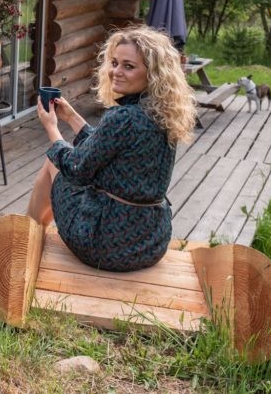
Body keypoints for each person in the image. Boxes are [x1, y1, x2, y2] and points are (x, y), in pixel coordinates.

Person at [26, 25, 196, 272]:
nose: (116, 71)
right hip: (150, 243)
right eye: (114, 63)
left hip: (107, 246)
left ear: (153, 73)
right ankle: (30, 231)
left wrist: (52, 128)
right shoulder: (162, 113)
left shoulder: (122, 117)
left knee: (55, 161)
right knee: (61, 155)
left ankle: (25, 237)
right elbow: (106, 146)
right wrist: (72, 118)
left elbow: (77, 168)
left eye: (128, 66)